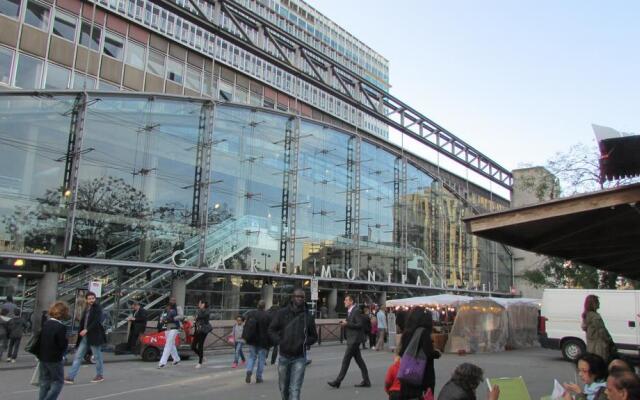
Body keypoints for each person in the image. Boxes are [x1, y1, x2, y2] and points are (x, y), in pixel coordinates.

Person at [268, 288, 318, 400]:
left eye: (301, 297)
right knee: (283, 388)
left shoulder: (307, 316)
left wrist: (304, 342)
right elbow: (272, 330)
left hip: (299, 357)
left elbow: (314, 336)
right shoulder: (282, 313)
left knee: (294, 389)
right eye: (297, 296)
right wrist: (280, 341)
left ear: (304, 299)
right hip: (284, 356)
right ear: (292, 298)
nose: (299, 299)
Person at [327, 294, 371, 388]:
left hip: (354, 340)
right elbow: (352, 323)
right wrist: (345, 323)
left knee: (345, 360)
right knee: (360, 361)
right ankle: (366, 381)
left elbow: (359, 325)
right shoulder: (350, 311)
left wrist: (347, 324)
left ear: (351, 301)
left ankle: (338, 381)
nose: (344, 301)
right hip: (352, 339)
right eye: (345, 300)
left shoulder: (356, 311)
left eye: (346, 300)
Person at [398, 308, 441, 399]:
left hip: (408, 371)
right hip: (422, 373)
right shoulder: (424, 332)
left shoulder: (407, 332)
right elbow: (429, 353)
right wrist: (437, 353)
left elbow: (402, 352)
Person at [65, 291, 106, 384]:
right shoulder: (86, 308)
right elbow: (83, 322)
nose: (91, 300)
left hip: (94, 336)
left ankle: (100, 375)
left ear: (95, 299)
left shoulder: (97, 308)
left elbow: (96, 321)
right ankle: (70, 377)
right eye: (89, 299)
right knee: (78, 356)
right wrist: (81, 331)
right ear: (86, 300)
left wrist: (86, 330)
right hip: (85, 337)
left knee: (97, 357)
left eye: (93, 298)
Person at [38, 301, 70, 400]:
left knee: (45, 382)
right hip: (54, 358)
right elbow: (62, 345)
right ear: (63, 313)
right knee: (58, 382)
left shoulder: (46, 323)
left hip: (43, 357)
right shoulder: (61, 327)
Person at [244, 300, 272, 383]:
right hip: (263, 340)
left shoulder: (251, 314)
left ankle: (249, 370)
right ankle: (258, 377)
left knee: (252, 357)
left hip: (252, 339)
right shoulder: (267, 315)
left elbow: (246, 325)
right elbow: (270, 329)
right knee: (261, 359)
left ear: (257, 305)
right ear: (264, 306)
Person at [582, 295, 616, 362]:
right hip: (600, 348)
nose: (599, 303)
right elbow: (602, 331)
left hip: (591, 348)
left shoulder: (587, 315)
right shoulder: (595, 317)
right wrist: (610, 341)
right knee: (601, 366)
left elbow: (584, 328)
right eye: (597, 302)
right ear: (593, 304)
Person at [157, 302, 181, 368]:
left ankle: (162, 363)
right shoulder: (166, 312)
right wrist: (163, 320)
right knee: (171, 345)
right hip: (168, 329)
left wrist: (164, 320)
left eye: (167, 306)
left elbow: (167, 318)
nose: (166, 307)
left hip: (173, 329)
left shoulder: (173, 311)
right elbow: (162, 320)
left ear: (170, 306)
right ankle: (176, 359)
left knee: (168, 345)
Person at [192, 300, 210, 368]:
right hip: (197, 329)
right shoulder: (199, 310)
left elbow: (202, 315)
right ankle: (202, 357)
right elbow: (196, 318)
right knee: (193, 346)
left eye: (201, 303)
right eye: (199, 303)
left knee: (200, 345)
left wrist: (200, 309)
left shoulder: (207, 311)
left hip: (203, 330)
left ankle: (200, 362)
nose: (199, 304)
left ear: (204, 304)